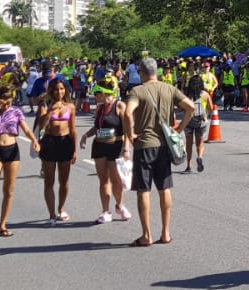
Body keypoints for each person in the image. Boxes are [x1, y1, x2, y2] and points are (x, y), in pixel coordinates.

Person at [122, 58, 195, 248]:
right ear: (157, 71)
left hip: (144, 145)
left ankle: (146, 235)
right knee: (165, 188)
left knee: (143, 190)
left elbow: (128, 113)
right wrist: (178, 130)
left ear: (141, 73)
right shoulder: (170, 89)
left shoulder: (137, 91)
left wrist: (130, 135)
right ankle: (166, 232)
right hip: (164, 145)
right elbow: (191, 107)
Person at [0, 82, 37, 241]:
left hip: (12, 151)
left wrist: (34, 141)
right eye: (4, 100)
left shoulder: (16, 112)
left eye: (9, 101)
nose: (7, 104)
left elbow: (25, 129)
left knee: (9, 190)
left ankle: (3, 225)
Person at [80, 85, 132, 224]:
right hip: (99, 145)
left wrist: (126, 148)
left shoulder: (119, 106)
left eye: (98, 93)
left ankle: (120, 205)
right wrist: (86, 135)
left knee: (117, 180)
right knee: (103, 180)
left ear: (106, 93)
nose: (96, 96)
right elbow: (97, 127)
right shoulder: (99, 108)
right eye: (95, 94)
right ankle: (105, 211)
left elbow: (127, 129)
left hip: (115, 145)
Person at [36, 78, 80, 225]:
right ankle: (51, 214)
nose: (59, 92)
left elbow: (73, 129)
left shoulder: (70, 107)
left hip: (65, 142)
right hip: (49, 142)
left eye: (62, 89)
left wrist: (75, 150)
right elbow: (42, 125)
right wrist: (50, 111)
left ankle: (61, 208)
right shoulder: (45, 105)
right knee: (49, 181)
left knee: (64, 180)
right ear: (51, 91)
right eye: (56, 89)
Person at [181, 75, 212, 173]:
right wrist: (206, 115)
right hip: (201, 121)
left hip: (189, 121)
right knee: (200, 143)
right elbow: (211, 107)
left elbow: (182, 107)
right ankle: (200, 157)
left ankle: (189, 165)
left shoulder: (187, 95)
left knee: (189, 144)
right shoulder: (205, 94)